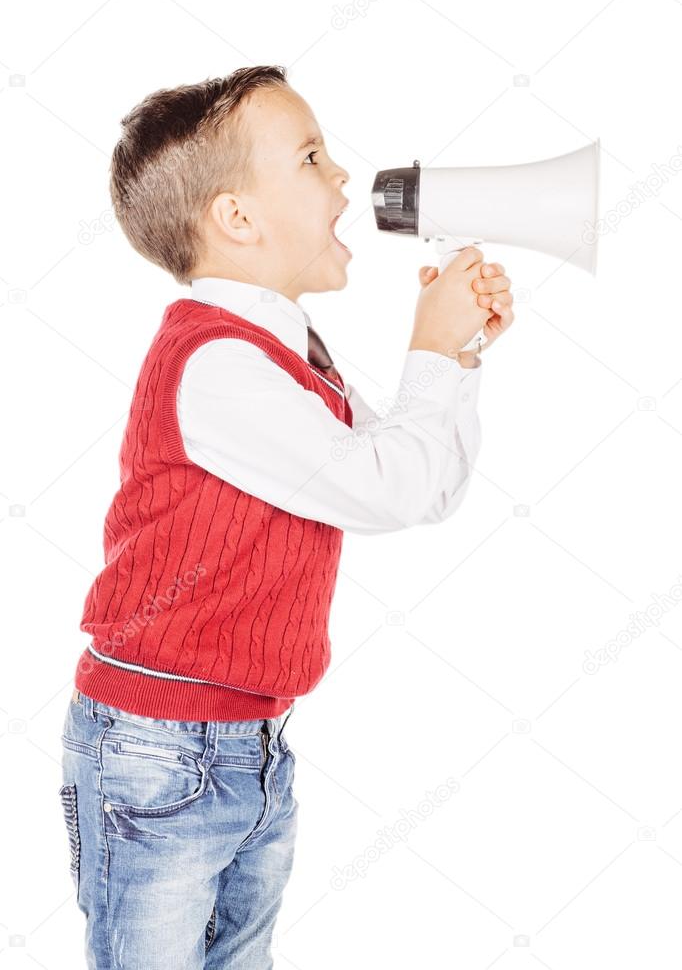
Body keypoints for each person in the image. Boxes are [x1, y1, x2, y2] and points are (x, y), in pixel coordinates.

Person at [58, 64, 514, 968]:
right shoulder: (216, 364)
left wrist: (455, 357)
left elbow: (421, 485)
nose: (346, 178)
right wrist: (427, 349)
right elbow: (386, 486)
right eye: (311, 157)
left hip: (247, 744)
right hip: (158, 751)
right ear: (236, 219)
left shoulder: (291, 351)